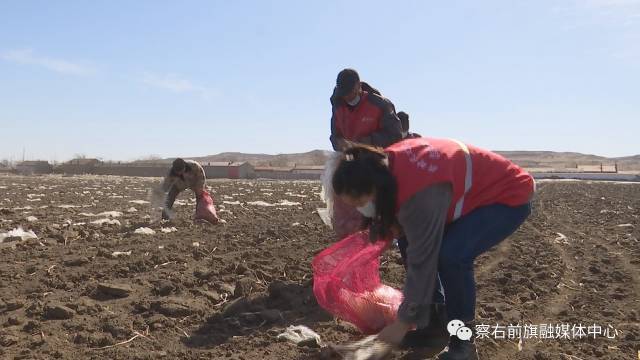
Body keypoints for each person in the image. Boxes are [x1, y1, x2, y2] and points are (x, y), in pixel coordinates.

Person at [331, 138, 534, 359]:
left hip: (506, 196)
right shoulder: (382, 167)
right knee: (408, 237)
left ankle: (463, 342)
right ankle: (434, 325)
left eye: (362, 202)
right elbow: (401, 223)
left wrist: (402, 323)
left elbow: (423, 260)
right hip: (459, 196)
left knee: (452, 256)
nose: (362, 209)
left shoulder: (419, 193)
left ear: (375, 187)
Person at [328, 68, 404, 239]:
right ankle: (346, 240)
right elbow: (334, 135)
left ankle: (372, 237)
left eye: (349, 92)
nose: (346, 97)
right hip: (350, 165)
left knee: (369, 212)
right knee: (344, 210)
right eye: (343, 93)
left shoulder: (380, 105)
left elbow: (394, 136)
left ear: (358, 86)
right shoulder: (338, 105)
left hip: (373, 167)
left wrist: (363, 142)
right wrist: (339, 143)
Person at [159, 158, 219, 224]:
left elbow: (201, 175)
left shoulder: (194, 166)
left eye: (181, 171)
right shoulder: (171, 172)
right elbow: (166, 183)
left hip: (194, 182)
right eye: (178, 172)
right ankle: (165, 217)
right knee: (170, 197)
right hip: (179, 184)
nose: (180, 173)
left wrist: (200, 187)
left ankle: (200, 216)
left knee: (200, 197)